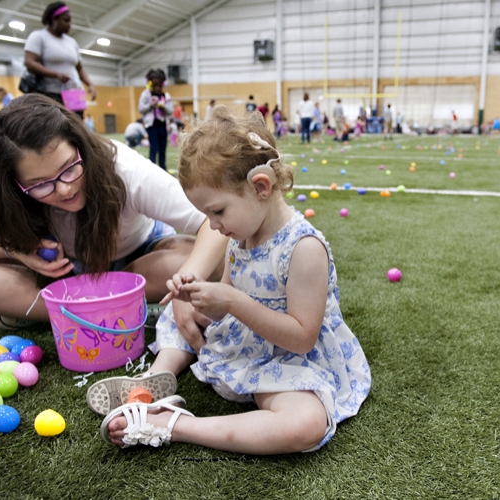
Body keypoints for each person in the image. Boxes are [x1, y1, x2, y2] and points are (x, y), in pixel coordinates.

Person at [96, 105, 371, 454]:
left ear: (261, 187)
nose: (212, 226)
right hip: (244, 341)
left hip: (288, 360)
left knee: (306, 423)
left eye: (218, 211)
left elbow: (302, 338)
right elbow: (225, 297)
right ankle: (152, 382)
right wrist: (200, 298)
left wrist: (231, 302)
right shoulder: (241, 235)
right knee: (177, 314)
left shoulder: (304, 248)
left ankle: (176, 424)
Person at [0, 94, 227, 332]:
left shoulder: (123, 166)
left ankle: (58, 313)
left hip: (139, 260)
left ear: (80, 146)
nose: (65, 189)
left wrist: (187, 284)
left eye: (69, 168)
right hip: (56, 276)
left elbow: (210, 223)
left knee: (205, 258)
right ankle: (116, 310)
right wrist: (13, 248)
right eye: (40, 185)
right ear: (13, 186)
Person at [24, 2, 96, 117]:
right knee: (56, 128)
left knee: (77, 127)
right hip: (52, 93)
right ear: (54, 20)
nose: (69, 24)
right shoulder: (39, 37)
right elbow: (29, 62)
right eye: (66, 20)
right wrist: (56, 74)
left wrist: (90, 84)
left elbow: (79, 68)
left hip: (74, 94)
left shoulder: (71, 42)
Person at [138, 68, 173, 171]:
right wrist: (151, 105)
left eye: (159, 85)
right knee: (154, 149)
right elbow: (140, 108)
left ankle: (163, 169)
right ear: (150, 84)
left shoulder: (166, 96)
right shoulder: (146, 94)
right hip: (152, 127)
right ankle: (151, 170)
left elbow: (170, 110)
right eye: (155, 85)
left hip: (163, 126)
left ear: (163, 84)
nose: (157, 88)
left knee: (163, 149)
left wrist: (163, 107)